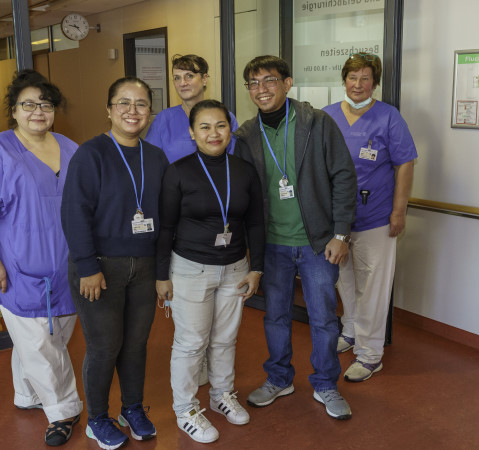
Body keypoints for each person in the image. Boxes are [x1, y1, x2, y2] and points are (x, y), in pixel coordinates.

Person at [0, 69, 82, 446]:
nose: (38, 111)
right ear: (13, 110)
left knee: (47, 341)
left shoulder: (71, 147)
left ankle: (27, 394)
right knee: (39, 344)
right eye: (28, 104)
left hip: (67, 269)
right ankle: (65, 411)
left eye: (45, 104)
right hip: (19, 271)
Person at [234, 55, 358, 420]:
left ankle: (325, 384)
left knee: (323, 318)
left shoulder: (317, 123)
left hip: (318, 242)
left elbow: (344, 177)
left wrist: (341, 234)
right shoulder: (246, 135)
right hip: (271, 244)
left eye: (269, 80)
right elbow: (243, 193)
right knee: (275, 317)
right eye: (253, 83)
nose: (261, 89)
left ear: (288, 83)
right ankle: (279, 378)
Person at [61, 76, 169, 450]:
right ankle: (98, 419)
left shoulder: (155, 157)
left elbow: (165, 216)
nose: (132, 111)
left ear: (150, 113)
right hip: (100, 268)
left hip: (143, 265)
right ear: (108, 110)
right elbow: (74, 214)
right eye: (123, 103)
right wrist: (88, 266)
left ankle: (133, 409)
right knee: (105, 346)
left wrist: (161, 270)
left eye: (141, 104)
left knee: (136, 344)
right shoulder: (90, 154)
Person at [156, 100, 265, 443]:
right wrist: (162, 276)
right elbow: (165, 228)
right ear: (191, 133)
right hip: (190, 269)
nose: (213, 133)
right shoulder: (178, 171)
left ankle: (221, 396)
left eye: (220, 125)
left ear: (229, 130)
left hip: (235, 269)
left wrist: (256, 268)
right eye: (204, 127)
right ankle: (186, 408)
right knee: (191, 343)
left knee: (225, 339)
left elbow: (256, 223)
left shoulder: (244, 170)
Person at [322, 52, 417, 382]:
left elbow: (405, 163)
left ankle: (370, 352)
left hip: (376, 216)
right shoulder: (327, 116)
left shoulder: (389, 117)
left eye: (365, 78)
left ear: (374, 83)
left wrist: (398, 211)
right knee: (343, 278)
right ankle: (350, 331)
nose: (358, 84)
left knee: (372, 286)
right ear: (343, 80)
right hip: (337, 221)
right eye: (352, 77)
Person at [145, 54, 239, 163]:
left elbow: (234, 159)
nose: (182, 83)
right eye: (177, 78)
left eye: (189, 76)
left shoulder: (224, 117)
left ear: (204, 79)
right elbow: (150, 161)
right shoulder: (163, 119)